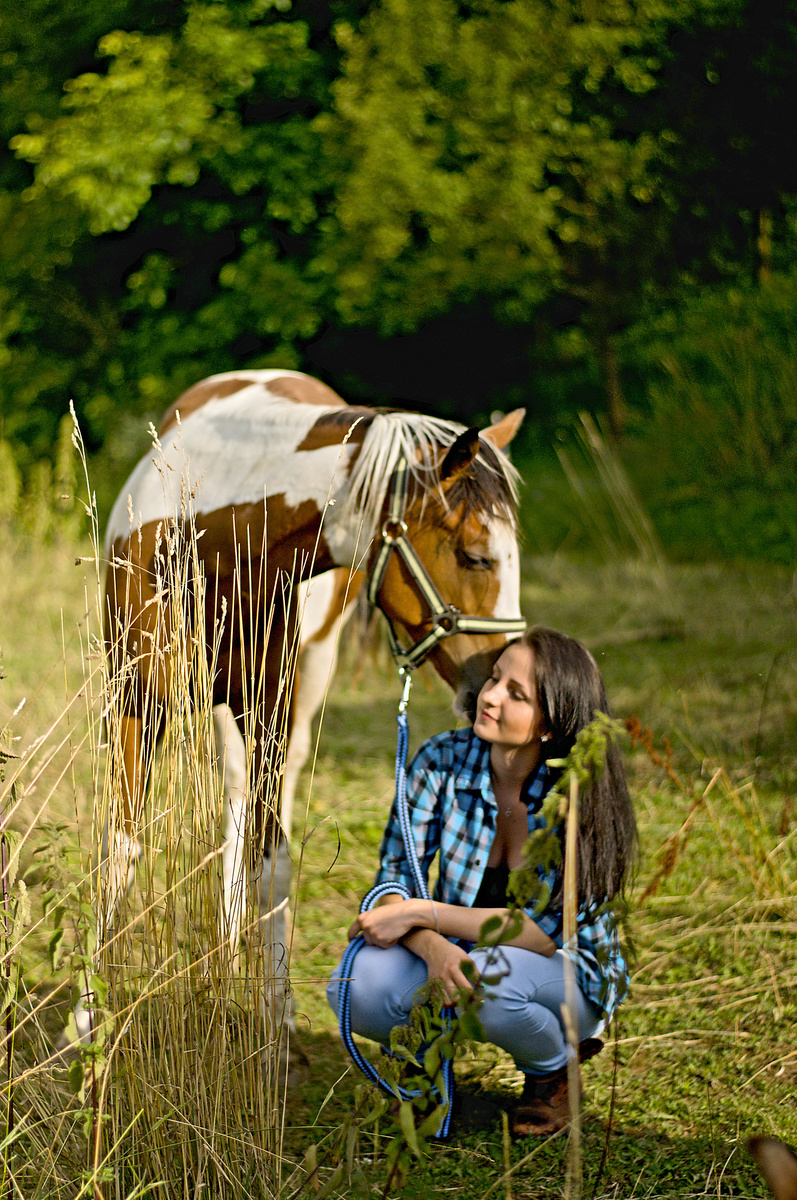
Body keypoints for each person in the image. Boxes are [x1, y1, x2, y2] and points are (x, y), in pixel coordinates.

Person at [327, 626, 637, 1136]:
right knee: (354, 985)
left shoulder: (576, 793)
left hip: (567, 973)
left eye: (516, 694)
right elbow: (395, 880)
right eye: (494, 679)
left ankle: (552, 1070)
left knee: (488, 984)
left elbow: (540, 933)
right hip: (462, 953)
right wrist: (432, 946)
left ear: (549, 724)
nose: (489, 696)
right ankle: (420, 1065)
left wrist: (421, 915)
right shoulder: (441, 761)